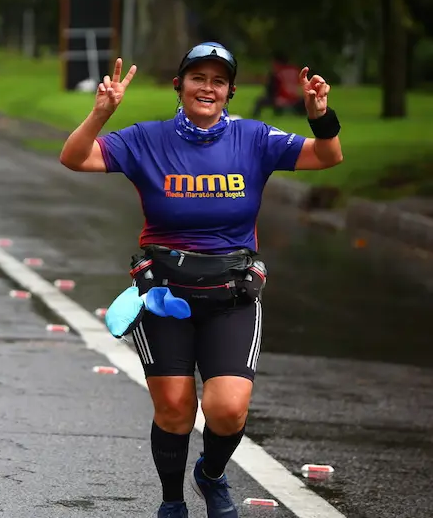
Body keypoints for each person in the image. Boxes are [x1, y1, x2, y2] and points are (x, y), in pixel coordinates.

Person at [59, 42, 343, 518]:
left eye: (218, 81)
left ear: (230, 91)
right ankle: (172, 502)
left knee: (228, 408)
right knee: (174, 407)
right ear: (180, 85)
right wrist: (100, 113)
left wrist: (320, 115)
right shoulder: (146, 139)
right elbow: (75, 158)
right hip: (165, 294)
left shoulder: (255, 138)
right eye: (197, 78)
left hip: (232, 293)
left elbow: (327, 156)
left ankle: (210, 475)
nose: (206, 88)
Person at [251, 53, 304, 118]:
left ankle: (254, 116)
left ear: (277, 63)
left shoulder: (277, 73)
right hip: (297, 99)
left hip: (281, 99)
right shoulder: (295, 70)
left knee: (260, 101)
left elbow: (272, 90)